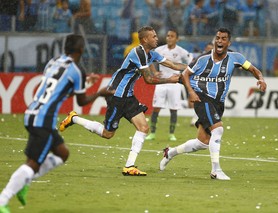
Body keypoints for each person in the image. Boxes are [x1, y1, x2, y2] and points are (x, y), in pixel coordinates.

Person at [0, 34, 114, 213]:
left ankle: (25, 180)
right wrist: (100, 92)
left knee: (62, 153)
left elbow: (57, 92)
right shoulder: (77, 70)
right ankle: (3, 199)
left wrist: (84, 84)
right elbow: (82, 101)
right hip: (43, 119)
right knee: (33, 163)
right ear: (81, 50)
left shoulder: (53, 62)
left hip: (33, 112)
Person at [59, 26, 187, 176]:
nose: (157, 38)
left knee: (143, 128)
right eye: (153, 36)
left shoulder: (151, 54)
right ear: (145, 39)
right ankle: (74, 118)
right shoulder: (138, 53)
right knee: (108, 134)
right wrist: (171, 80)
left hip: (128, 96)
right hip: (116, 95)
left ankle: (129, 166)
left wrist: (194, 69)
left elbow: (173, 65)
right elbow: (149, 79)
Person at [159, 28, 267, 180]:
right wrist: (191, 92)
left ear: (229, 43)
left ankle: (170, 152)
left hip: (218, 103)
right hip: (201, 98)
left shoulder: (236, 58)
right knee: (218, 129)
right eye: (217, 38)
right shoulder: (202, 59)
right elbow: (185, 74)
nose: (219, 41)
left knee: (202, 142)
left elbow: (254, 69)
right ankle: (216, 171)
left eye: (223, 39)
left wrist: (261, 79)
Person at [145, 29, 193, 141]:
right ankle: (152, 133)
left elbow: (191, 61)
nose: (169, 38)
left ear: (177, 39)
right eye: (167, 36)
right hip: (162, 82)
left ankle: (171, 134)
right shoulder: (159, 49)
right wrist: (154, 72)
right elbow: (148, 59)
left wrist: (183, 73)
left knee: (173, 109)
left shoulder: (181, 51)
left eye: (172, 36)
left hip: (175, 83)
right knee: (156, 108)